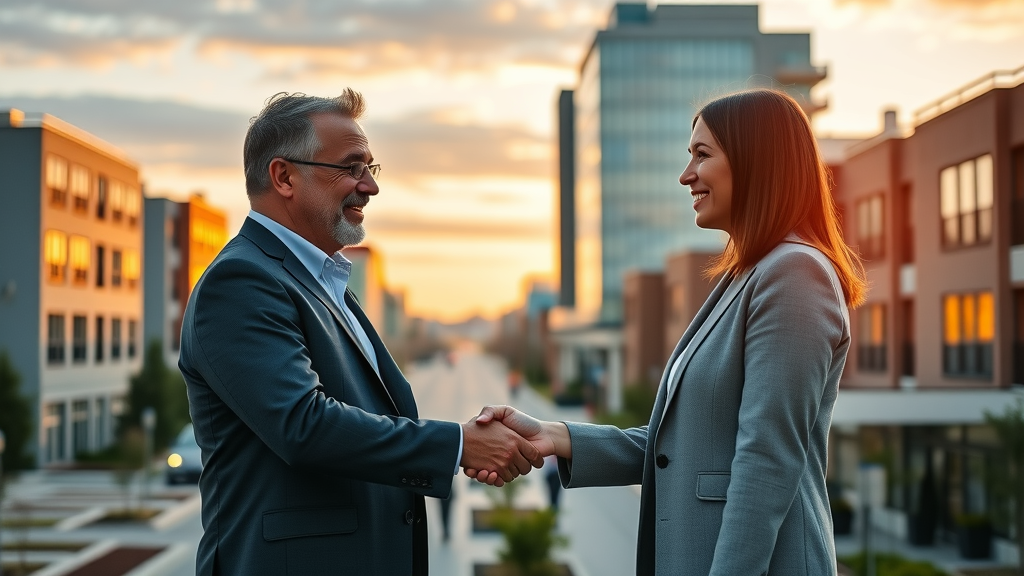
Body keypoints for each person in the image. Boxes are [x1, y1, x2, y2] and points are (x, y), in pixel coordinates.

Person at [468, 88, 866, 576]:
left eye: (703, 155)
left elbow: (767, 461)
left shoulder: (795, 274)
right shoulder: (746, 276)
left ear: (757, 162)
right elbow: (681, 445)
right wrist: (555, 435)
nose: (687, 175)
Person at [178, 89, 541, 576]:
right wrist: (457, 445)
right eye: (351, 168)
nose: (368, 186)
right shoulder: (241, 282)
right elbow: (304, 425)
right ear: (284, 176)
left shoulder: (323, 282)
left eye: (371, 168)